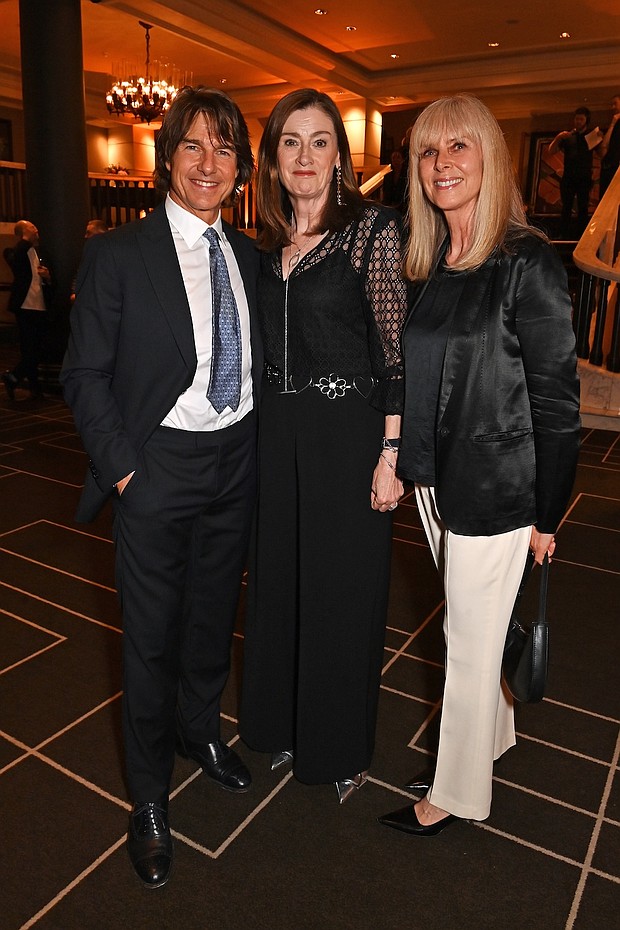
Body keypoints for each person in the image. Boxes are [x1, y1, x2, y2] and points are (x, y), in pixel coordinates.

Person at [61, 86, 262, 888]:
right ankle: (148, 796)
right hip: (158, 467)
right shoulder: (117, 256)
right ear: (165, 159)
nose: (209, 165)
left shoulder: (249, 256)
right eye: (193, 147)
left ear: (241, 170)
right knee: (147, 641)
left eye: (224, 151)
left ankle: (201, 731)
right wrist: (126, 471)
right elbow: (84, 375)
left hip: (236, 463)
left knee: (214, 622)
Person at [378, 94, 580, 836]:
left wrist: (548, 516)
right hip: (437, 483)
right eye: (430, 152)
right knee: (477, 629)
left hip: (501, 490)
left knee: (465, 644)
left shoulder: (526, 261)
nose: (442, 165)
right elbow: (413, 372)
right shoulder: (433, 258)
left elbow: (559, 405)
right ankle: (491, 739)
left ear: (489, 159)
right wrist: (400, 459)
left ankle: (456, 794)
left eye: (459, 148)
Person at [239, 88, 407, 803]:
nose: (305, 156)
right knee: (278, 584)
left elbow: (397, 355)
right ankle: (279, 725)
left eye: (319, 141)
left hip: (349, 440)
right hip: (276, 441)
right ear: (273, 161)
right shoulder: (263, 249)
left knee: (342, 593)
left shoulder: (371, 233)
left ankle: (337, 746)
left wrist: (392, 453)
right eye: (290, 142)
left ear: (339, 155)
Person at [2, 220, 51, 399]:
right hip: (24, 306)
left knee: (37, 348)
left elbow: (47, 280)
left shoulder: (40, 252)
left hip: (40, 305)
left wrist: (47, 277)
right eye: (31, 227)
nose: (36, 228)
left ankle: (14, 377)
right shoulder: (14, 252)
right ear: (22, 232)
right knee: (29, 349)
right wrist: (25, 239)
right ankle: (32, 386)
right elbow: (15, 263)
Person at [547, 107, 594, 237]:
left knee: (583, 207)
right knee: (566, 207)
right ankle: (563, 234)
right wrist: (558, 137)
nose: (578, 121)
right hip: (568, 177)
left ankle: (582, 235)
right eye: (576, 119)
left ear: (586, 120)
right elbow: (551, 151)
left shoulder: (590, 136)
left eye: (581, 119)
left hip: (584, 177)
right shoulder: (568, 136)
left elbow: (602, 153)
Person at [598, 93, 620, 199]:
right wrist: (613, 123)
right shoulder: (614, 123)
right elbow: (604, 146)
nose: (613, 107)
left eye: (615, 104)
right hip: (609, 168)